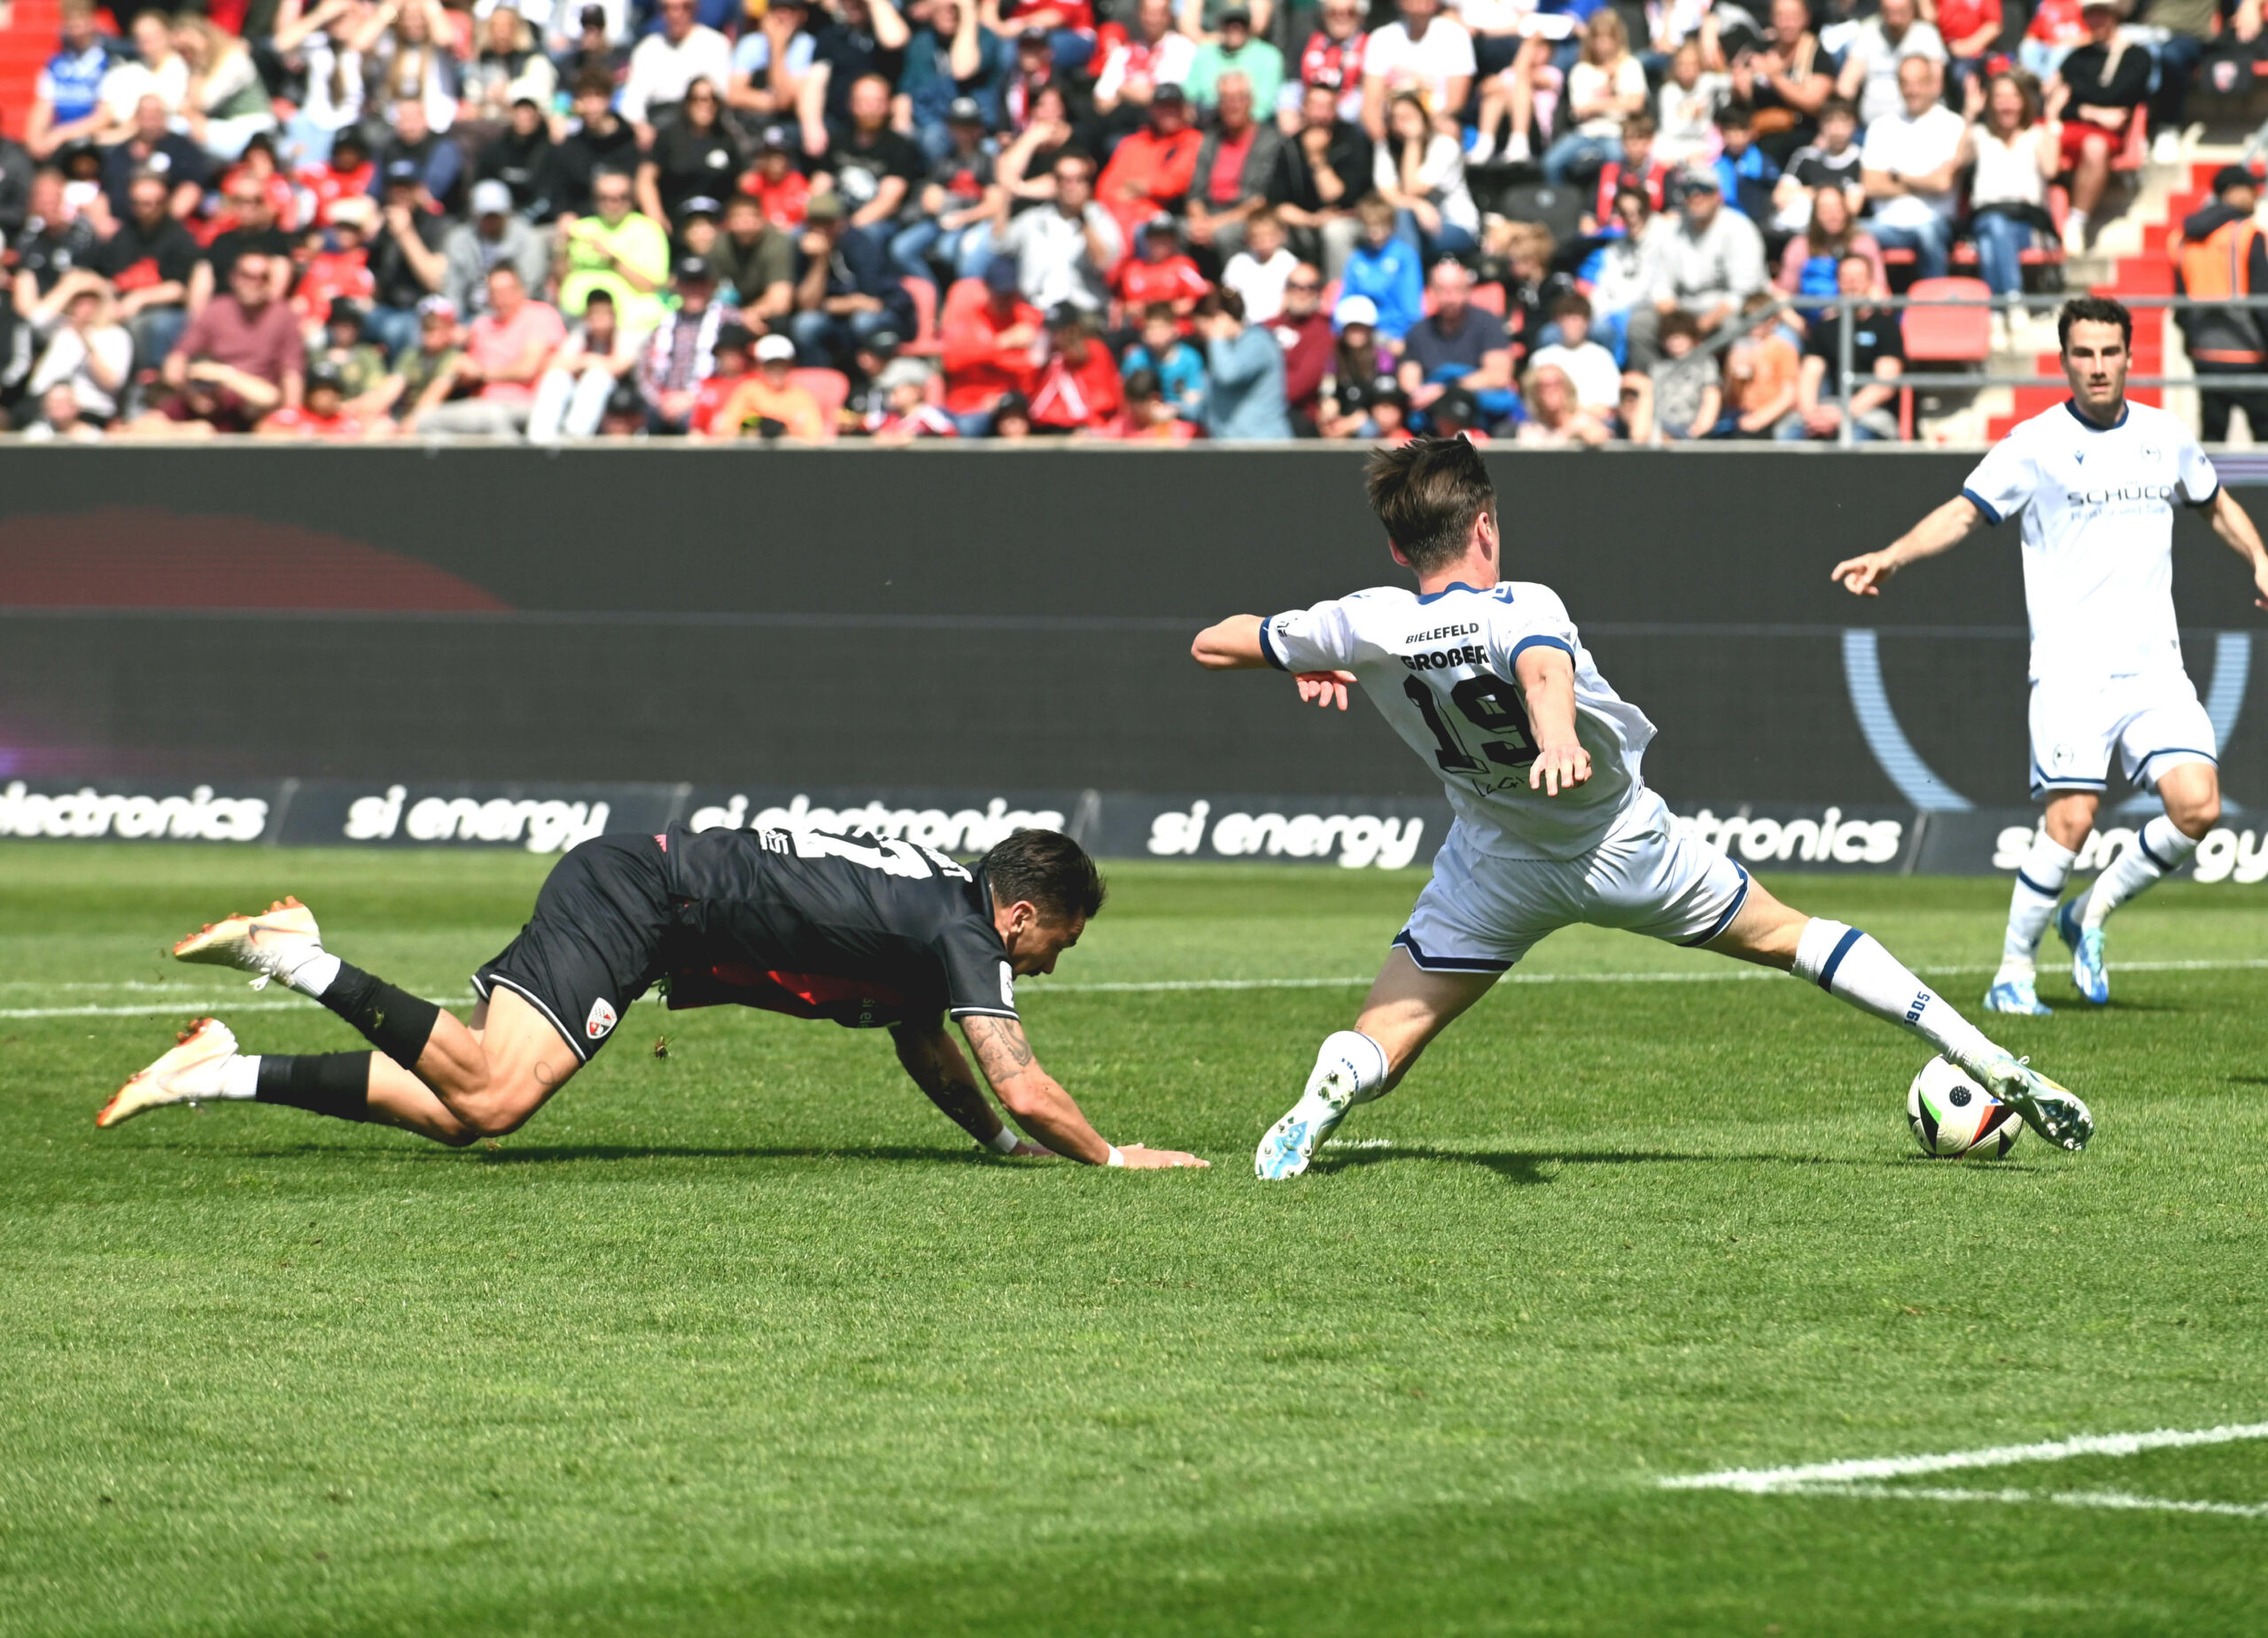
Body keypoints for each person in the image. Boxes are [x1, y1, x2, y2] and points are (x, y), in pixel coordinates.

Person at [1189, 438, 2095, 1182]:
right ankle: (1977, 1051)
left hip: (1495, 864)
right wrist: (1554, 737)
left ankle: (1324, 1093)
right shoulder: (1519, 603)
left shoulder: (1364, 620)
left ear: (1398, 547)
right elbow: (1541, 668)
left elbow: (1212, 643)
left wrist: (1307, 654)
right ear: (1485, 524)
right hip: (1620, 843)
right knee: (1793, 937)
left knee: (1386, 1036)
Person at [101, 830, 1205, 1172]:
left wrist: (997, 1148)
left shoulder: (935, 917)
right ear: (1023, 914)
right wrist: (1111, 1157)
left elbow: (929, 1048)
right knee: (493, 1095)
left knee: (461, 1112)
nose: (1054, 961)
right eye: (1061, 941)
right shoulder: (966, 932)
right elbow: (1021, 1078)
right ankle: (295, 957)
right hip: (641, 901)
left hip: (646, 902)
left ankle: (217, 1069)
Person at [1834, 297, 2268, 1013]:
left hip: (2156, 669)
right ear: (2064, 360)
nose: (2097, 366)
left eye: (2109, 352)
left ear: (2130, 357)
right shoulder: (2034, 443)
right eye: (2083, 354)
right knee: (2072, 818)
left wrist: (2258, 555)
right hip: (2072, 671)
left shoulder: (2164, 435)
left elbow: (2214, 501)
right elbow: (1964, 511)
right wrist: (1893, 555)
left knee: (2198, 807)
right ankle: (2012, 972)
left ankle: (2088, 911)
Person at [137, 251, 305, 433]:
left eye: (262, 277)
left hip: (255, 404)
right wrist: (189, 382)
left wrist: (291, 414)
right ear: (233, 277)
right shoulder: (216, 310)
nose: (254, 283)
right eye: (247, 275)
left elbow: (290, 373)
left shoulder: (283, 315)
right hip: (210, 394)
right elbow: (179, 356)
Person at [2172, 165, 2268, 442]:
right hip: (2250, 353)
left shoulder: (2182, 237)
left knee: (2212, 436)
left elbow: (2180, 305)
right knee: (2265, 437)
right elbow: (2262, 302)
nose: (2256, 194)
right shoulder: (2248, 235)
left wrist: (2193, 343)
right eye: (2250, 189)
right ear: (2232, 192)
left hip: (2204, 353)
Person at [413, 264, 567, 436]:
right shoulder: (481, 325)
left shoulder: (540, 315)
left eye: (506, 291)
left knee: (493, 418)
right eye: (495, 292)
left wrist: (483, 373)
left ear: (521, 290)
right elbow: (465, 373)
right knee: (425, 421)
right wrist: (462, 366)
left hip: (526, 405)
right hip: (481, 405)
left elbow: (528, 368)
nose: (501, 298)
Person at [1634, 167, 1764, 368]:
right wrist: (1679, 325)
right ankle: (1654, 381)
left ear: (1718, 195)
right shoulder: (1672, 230)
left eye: (1703, 189)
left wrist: (1703, 325)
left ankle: (1725, 385)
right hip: (1682, 312)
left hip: (1725, 311)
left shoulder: (1739, 228)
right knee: (1639, 324)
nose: (1696, 197)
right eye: (1688, 191)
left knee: (1735, 327)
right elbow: (1661, 288)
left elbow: (1742, 293)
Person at [2047, 0, 2148, 254]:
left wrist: (2080, 105)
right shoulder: (2077, 57)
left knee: (2095, 146)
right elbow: (2058, 103)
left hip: (2105, 136)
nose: (2095, 22)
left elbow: (2121, 100)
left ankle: (2076, 222)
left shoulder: (2136, 56)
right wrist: (2092, 111)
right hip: (2067, 129)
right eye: (2090, 15)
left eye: (2101, 14)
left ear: (2114, 15)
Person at [1860, 55, 1967, 280]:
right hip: (1886, 224)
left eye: (1918, 82)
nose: (1912, 90)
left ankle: (1935, 299)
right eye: (1905, 83)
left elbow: (1943, 183)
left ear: (1933, 84)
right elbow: (1871, 185)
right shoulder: (1881, 127)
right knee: (1847, 234)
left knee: (1928, 234)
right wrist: (1925, 182)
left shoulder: (1953, 125)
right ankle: (1869, 300)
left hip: (1935, 222)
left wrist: (1896, 176)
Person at [1966, 71, 2059, 320]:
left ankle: (1996, 310)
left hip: (2026, 223)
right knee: (1993, 227)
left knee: (1990, 239)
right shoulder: (1980, 135)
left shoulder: (2036, 135)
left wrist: (2052, 118)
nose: (2007, 105)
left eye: (2013, 97)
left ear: (2023, 101)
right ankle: (2013, 298)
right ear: (1990, 102)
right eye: (2000, 98)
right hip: (1985, 217)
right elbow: (1957, 161)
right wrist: (1969, 115)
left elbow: (2051, 169)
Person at [1789, 248, 1904, 441]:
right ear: (1838, 282)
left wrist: (1843, 414)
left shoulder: (1886, 326)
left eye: (1858, 277)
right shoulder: (1825, 326)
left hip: (1870, 413)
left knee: (1854, 440)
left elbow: (1884, 385)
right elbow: (1809, 375)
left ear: (1870, 282)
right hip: (1827, 409)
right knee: (1788, 435)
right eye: (1846, 277)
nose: (1852, 283)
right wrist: (1811, 415)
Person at [790, 190, 915, 367]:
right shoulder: (803, 250)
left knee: (864, 321)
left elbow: (872, 301)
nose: (821, 229)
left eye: (827, 222)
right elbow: (808, 306)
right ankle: (824, 379)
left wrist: (835, 305)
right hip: (836, 318)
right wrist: (821, 260)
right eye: (815, 222)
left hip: (888, 315)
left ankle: (875, 378)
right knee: (805, 325)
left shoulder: (861, 244)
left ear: (840, 222)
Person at [89, 170, 199, 372]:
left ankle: (149, 378)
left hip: (164, 312)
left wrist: (139, 299)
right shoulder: (123, 234)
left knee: (145, 325)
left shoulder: (180, 238)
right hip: (119, 305)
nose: (144, 209)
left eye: (151, 203)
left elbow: (180, 290)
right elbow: (107, 276)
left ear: (165, 202)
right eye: (138, 203)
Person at [991, 150, 1122, 315]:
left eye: (1078, 179)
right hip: (1038, 310)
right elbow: (1000, 243)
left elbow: (1105, 262)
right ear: (1054, 182)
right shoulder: (1035, 219)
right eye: (1063, 179)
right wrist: (1005, 192)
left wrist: (1082, 218)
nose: (1070, 186)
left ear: (1088, 183)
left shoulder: (1099, 217)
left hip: (1082, 311)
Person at [891, 97, 1005, 287]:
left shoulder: (988, 161)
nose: (963, 132)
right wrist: (941, 204)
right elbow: (930, 200)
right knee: (901, 249)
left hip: (972, 223)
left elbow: (994, 205)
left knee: (948, 250)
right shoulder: (945, 160)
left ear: (979, 128)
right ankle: (933, 296)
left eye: (969, 125)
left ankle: (957, 298)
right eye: (958, 125)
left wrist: (962, 217)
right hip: (941, 221)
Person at [1270, 79, 1372, 282]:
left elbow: (1335, 196)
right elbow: (1278, 204)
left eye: (1327, 107)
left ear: (1336, 110)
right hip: (1306, 221)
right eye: (1315, 106)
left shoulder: (1353, 140)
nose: (1320, 114)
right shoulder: (1290, 146)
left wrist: (1318, 159)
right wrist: (1313, 220)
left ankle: (1336, 291)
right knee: (1270, 233)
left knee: (1334, 231)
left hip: (1349, 221)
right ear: (1303, 108)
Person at [556, 167, 672, 338]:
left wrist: (613, 259)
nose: (612, 204)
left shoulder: (649, 230)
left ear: (632, 200)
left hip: (629, 325)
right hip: (576, 319)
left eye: (621, 197)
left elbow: (652, 286)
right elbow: (561, 279)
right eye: (604, 198)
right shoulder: (582, 227)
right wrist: (562, 246)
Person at [1399, 257, 1512, 423]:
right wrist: (1424, 394)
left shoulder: (1489, 323)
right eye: (1442, 290)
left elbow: (1499, 376)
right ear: (1431, 292)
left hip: (1478, 413)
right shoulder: (1418, 332)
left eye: (1457, 289)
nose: (1450, 298)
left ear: (1468, 290)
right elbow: (1409, 383)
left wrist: (1445, 390)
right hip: (1434, 416)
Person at [1186, 73, 1284, 267]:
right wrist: (1199, 221)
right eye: (1226, 99)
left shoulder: (1271, 140)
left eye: (1239, 98)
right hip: (1210, 211)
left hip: (1248, 215)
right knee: (1175, 230)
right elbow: (1195, 193)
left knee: (1225, 235)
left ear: (1250, 101)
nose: (1233, 105)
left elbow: (1260, 200)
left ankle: (1232, 286)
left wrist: (1215, 224)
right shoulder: (1210, 139)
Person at [1542, 10, 1648, 186]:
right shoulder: (1581, 70)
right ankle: (1561, 200)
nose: (1603, 43)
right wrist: (1618, 101)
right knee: (1551, 162)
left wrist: (1596, 104)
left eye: (1608, 37)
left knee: (1616, 157)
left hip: (1618, 132)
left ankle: (1611, 199)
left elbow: (1636, 104)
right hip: (1585, 132)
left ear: (1617, 39)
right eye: (1598, 37)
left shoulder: (1630, 65)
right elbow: (1580, 111)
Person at [940, 255, 1044, 432]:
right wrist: (1003, 342)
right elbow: (952, 360)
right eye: (999, 293)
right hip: (970, 406)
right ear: (986, 289)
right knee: (963, 426)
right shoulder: (970, 317)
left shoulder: (1028, 318)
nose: (1004, 300)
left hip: (1014, 404)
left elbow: (1032, 366)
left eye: (1008, 294)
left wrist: (985, 356)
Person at [1371, 89, 1476, 262]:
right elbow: (1387, 194)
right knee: (1398, 221)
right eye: (1395, 119)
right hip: (1407, 224)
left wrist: (1413, 141)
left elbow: (1413, 189)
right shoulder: (1386, 147)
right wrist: (1417, 205)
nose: (1400, 125)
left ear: (1423, 118)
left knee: (1402, 225)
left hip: (1454, 225)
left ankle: (1408, 279)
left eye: (1407, 118)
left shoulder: (1445, 145)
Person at [1094, 82, 1202, 243]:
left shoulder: (1193, 140)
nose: (1169, 112)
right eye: (1163, 106)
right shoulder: (1133, 142)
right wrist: (1133, 191)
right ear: (1152, 110)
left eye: (1174, 106)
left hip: (1158, 219)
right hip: (1119, 212)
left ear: (1184, 110)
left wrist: (1142, 186)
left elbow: (1175, 182)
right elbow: (1106, 187)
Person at [638, 77, 749, 229]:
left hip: (717, 227)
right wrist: (656, 218)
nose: (706, 104)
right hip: (675, 225)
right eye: (697, 98)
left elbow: (741, 183)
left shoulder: (727, 139)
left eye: (713, 99)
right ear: (687, 102)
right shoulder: (669, 137)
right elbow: (646, 180)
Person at [1360, 0, 1474, 143]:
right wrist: (1382, 141)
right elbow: (1370, 105)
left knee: (1449, 135)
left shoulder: (1456, 36)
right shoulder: (1381, 38)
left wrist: (1420, 125)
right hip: (1391, 131)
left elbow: (1455, 102)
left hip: (1436, 128)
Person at [637, 256, 729, 432]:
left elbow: (733, 371)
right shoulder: (662, 323)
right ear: (678, 287)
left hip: (706, 402)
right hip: (662, 404)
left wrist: (693, 398)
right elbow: (644, 372)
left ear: (711, 286)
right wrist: (662, 401)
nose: (695, 291)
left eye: (700, 284)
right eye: (688, 284)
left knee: (696, 421)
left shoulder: (727, 320)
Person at [621, 0, 734, 142]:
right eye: (667, 8)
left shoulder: (715, 44)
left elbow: (720, 94)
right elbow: (631, 102)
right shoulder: (647, 49)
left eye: (684, 7)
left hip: (703, 130)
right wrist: (641, 127)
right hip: (660, 130)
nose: (675, 14)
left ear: (695, 9)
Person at [443, 179, 552, 320]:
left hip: (517, 316)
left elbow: (526, 291)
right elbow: (453, 288)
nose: (491, 221)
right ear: (475, 214)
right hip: (469, 313)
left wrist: (484, 324)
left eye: (496, 215)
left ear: (507, 213)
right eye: (486, 216)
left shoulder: (529, 240)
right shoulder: (460, 240)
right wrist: (451, 322)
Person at [1835, 0, 1946, 128]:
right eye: (1889, 12)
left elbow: (1935, 86)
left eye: (1900, 12)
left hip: (1916, 124)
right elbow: (1846, 85)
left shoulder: (1926, 35)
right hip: (1870, 127)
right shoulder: (1869, 31)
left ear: (1912, 10)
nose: (1895, 19)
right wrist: (1839, 117)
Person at [1197, 286, 1291, 439]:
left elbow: (1229, 375)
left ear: (1220, 319)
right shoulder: (1225, 350)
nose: (1203, 335)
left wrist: (1217, 337)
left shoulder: (1258, 342)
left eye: (1204, 326)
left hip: (1263, 446)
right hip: (1232, 446)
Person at [27, 0, 114, 162]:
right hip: (60, 143)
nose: (77, 32)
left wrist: (62, 134)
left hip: (92, 143)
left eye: (81, 25)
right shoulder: (55, 63)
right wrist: (34, 137)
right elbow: (43, 106)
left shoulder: (107, 62)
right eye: (72, 26)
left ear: (92, 23)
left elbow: (104, 116)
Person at [1771, 97, 1865, 238]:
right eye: (1830, 122)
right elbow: (1780, 197)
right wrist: (1829, 197)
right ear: (1821, 125)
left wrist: (1805, 193)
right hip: (1799, 232)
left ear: (1854, 125)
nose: (1837, 129)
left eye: (1844, 122)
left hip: (1842, 236)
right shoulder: (1805, 156)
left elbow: (1852, 207)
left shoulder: (1861, 159)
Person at [1775, 183, 1884, 305]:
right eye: (1825, 210)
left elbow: (1878, 289)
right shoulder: (1799, 246)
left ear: (1846, 210)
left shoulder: (1864, 243)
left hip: (1854, 312)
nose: (1832, 215)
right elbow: (1786, 292)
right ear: (1815, 214)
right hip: (1809, 313)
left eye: (1837, 208)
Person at [1339, 191, 1424, 345]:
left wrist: (1402, 337)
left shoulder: (1405, 256)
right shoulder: (1357, 258)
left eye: (1381, 226)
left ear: (1391, 225)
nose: (1375, 233)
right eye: (1370, 227)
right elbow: (1346, 297)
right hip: (1361, 332)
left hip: (1395, 334)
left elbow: (1411, 305)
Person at [711, 330, 830, 437]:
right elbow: (726, 429)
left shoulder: (801, 395)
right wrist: (755, 428)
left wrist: (785, 431)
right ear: (760, 367)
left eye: (781, 365)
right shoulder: (748, 391)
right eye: (771, 365)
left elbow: (814, 434)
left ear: (790, 366)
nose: (777, 370)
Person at [1029, 305, 1122, 431]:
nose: (1054, 336)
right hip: (1048, 426)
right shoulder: (1049, 358)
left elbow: (1107, 398)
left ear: (1073, 329)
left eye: (1059, 331)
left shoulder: (1095, 350)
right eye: (1051, 331)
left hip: (1086, 427)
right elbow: (1035, 400)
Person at [1526, 293, 1620, 413]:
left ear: (1587, 322)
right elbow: (1533, 402)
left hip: (1593, 419)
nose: (1572, 325)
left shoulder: (1602, 356)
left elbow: (1612, 403)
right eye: (1567, 319)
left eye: (1576, 319)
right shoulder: (1541, 358)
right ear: (1558, 322)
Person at [1184, 5, 1285, 114]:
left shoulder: (1269, 56)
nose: (1235, 29)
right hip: (1210, 119)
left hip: (1255, 122)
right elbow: (1188, 94)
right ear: (1221, 27)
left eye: (1240, 24)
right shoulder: (1205, 54)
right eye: (1229, 24)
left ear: (1248, 26)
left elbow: (1266, 104)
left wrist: (1235, 114)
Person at [1120, 300, 1207, 420]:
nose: (1155, 334)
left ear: (1174, 329)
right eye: (1150, 328)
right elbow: (1126, 399)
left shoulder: (1190, 358)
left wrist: (1173, 410)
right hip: (1143, 421)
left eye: (1160, 327)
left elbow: (1195, 400)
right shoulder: (1135, 359)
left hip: (1180, 421)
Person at [1646, 307, 1720, 439]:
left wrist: (1701, 427)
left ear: (1691, 337)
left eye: (1679, 336)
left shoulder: (1704, 363)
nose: (1674, 342)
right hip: (1659, 427)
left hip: (1688, 429)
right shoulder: (1657, 366)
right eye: (1669, 337)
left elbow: (1711, 395)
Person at [1514, 361, 1610, 445]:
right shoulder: (1531, 428)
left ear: (1567, 388)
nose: (1551, 390)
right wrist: (1566, 434)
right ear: (1535, 392)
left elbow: (1598, 435)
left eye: (1556, 384)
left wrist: (1582, 434)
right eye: (1544, 386)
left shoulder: (1582, 421)